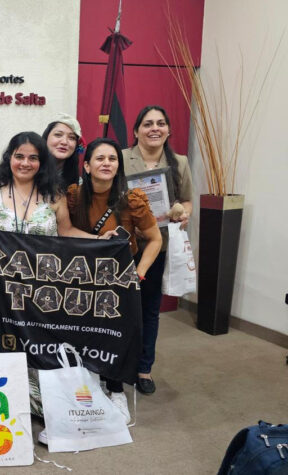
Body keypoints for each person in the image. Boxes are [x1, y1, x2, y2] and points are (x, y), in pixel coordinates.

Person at [0, 131, 115, 445]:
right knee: (9, 345)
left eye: (33, 157)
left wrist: (99, 241)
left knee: (44, 346)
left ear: (42, 162)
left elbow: (66, 232)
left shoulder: (54, 195)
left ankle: (49, 407)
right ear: (9, 158)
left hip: (45, 292)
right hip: (6, 292)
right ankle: (15, 407)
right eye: (19, 156)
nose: (25, 163)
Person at [66, 137, 162, 423]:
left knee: (115, 334)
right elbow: (63, 230)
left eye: (112, 159)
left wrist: (139, 272)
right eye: (100, 158)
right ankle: (88, 385)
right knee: (84, 332)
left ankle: (116, 389)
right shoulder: (73, 196)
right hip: (82, 274)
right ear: (87, 165)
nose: (106, 163)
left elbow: (155, 239)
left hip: (119, 278)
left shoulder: (131, 200)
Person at [123, 105, 193, 395]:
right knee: (118, 308)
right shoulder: (121, 158)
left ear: (168, 129)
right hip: (123, 246)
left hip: (157, 246)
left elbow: (187, 200)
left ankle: (144, 368)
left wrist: (184, 214)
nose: (155, 128)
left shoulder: (180, 162)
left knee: (149, 310)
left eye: (160, 123)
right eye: (148, 123)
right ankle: (115, 363)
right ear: (136, 130)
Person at [42, 112, 85, 192]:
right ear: (46, 137)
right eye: (58, 135)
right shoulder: (30, 173)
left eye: (71, 138)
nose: (64, 142)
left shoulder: (78, 184)